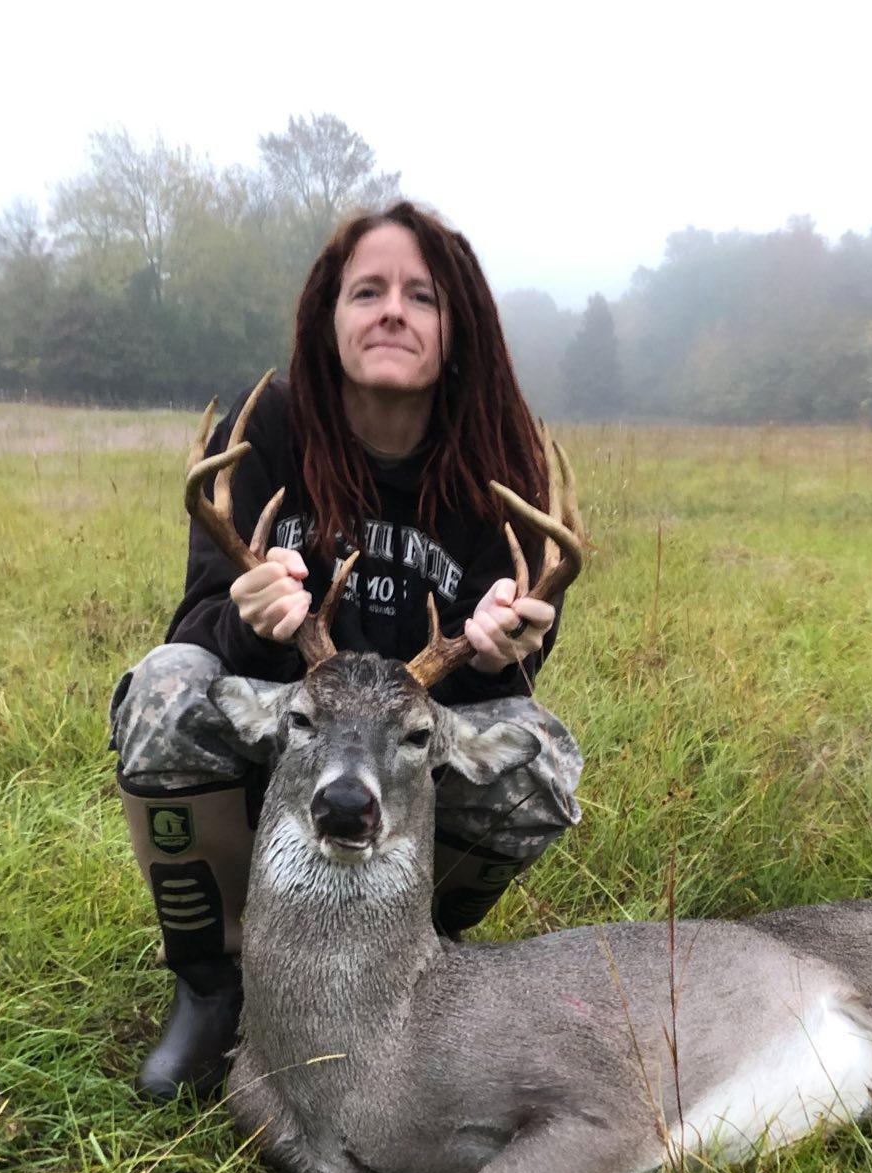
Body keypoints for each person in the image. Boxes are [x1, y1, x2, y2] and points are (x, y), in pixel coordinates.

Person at [108, 202, 585, 1100]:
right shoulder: (267, 430)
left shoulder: (500, 457)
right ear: (329, 318)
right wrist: (248, 620)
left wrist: (503, 650)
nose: (392, 310)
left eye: (421, 296)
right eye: (367, 291)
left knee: (539, 762)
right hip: (284, 736)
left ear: (457, 327)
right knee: (166, 690)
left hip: (398, 763)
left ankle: (401, 954)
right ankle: (215, 984)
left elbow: (512, 669)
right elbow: (197, 624)